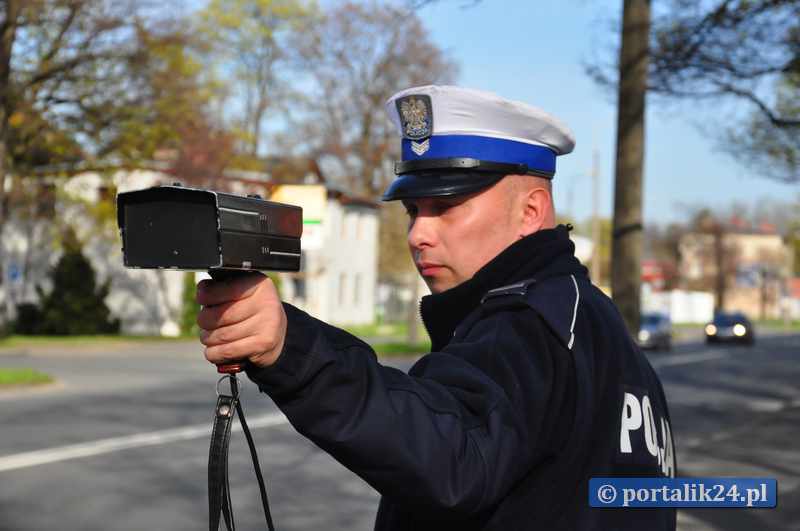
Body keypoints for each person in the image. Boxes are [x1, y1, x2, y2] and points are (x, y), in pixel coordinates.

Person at [196, 85, 677, 530]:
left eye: (445, 208)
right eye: (412, 211)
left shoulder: (527, 324)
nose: (418, 234)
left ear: (530, 211)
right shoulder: (593, 320)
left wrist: (291, 349)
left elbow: (454, 457)